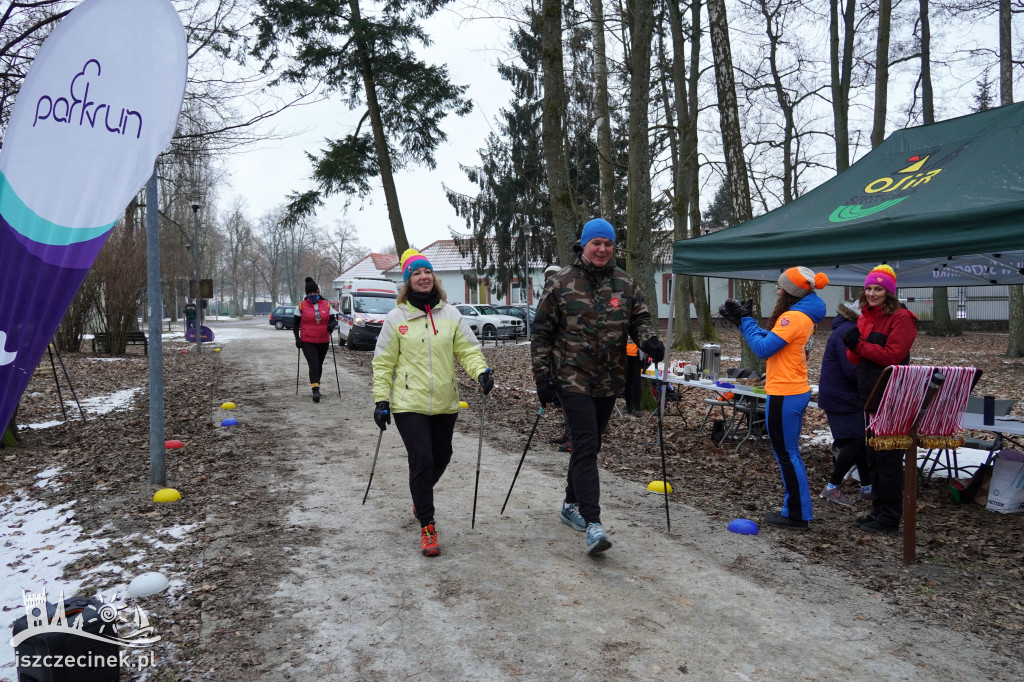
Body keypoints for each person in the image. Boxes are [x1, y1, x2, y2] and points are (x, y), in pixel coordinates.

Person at [532, 218, 664, 555]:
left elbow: (640, 320)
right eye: (596, 243)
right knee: (587, 445)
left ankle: (569, 504)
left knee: (588, 445)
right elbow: (542, 332)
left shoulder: (626, 283)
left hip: (609, 379)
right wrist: (542, 378)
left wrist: (649, 341)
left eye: (608, 244)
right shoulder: (561, 281)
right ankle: (593, 524)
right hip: (571, 377)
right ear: (584, 245)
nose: (602, 249)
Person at [372, 249, 493, 557]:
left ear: (433, 278)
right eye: (416, 273)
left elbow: (468, 351)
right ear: (408, 281)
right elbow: (383, 363)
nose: (423, 277)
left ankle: (419, 494)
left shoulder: (451, 315)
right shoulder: (396, 318)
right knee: (422, 459)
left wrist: (481, 372)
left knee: (443, 455)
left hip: (444, 402)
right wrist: (381, 400)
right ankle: (428, 526)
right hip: (407, 404)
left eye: (426, 272)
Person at [720, 266, 829, 531]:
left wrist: (745, 320)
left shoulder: (793, 317)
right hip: (792, 389)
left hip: (785, 392)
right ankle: (796, 510)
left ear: (792, 292)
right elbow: (772, 344)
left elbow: (762, 349)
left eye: (781, 287)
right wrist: (745, 322)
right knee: (789, 453)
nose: (778, 290)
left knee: (787, 454)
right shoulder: (804, 315)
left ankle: (797, 514)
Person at [843, 264, 918, 535]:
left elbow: (892, 356)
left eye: (878, 289)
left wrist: (859, 345)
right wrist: (852, 345)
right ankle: (877, 510)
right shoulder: (864, 316)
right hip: (869, 393)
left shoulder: (902, 318)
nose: (872, 293)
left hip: (893, 395)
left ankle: (890, 517)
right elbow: (856, 358)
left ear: (889, 293)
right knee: (873, 454)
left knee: (888, 457)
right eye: (869, 288)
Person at [818, 300, 874, 506]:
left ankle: (867, 487)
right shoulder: (848, 332)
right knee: (857, 441)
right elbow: (852, 370)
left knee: (858, 441)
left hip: (840, 395)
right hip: (842, 396)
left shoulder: (844, 328)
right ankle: (832, 487)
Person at [293, 277, 337, 403]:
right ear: (306, 294)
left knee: (319, 364)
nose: (312, 295)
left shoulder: (326, 304)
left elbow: (333, 319)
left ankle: (316, 384)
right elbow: (295, 324)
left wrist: (331, 325)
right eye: (310, 293)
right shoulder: (301, 306)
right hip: (308, 340)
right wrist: (297, 338)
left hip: (323, 339)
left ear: (318, 292)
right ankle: (315, 390)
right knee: (314, 364)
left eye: (314, 293)